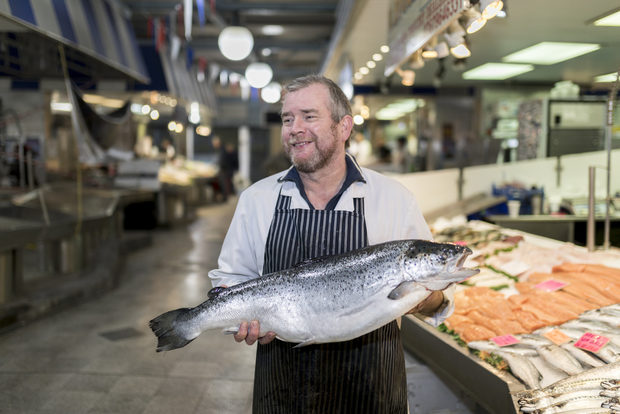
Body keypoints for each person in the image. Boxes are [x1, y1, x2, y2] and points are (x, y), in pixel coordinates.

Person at [208, 75, 454, 413]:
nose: (294, 128)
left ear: (344, 127)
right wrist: (243, 320)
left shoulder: (393, 199)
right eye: (287, 118)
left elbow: (439, 300)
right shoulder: (257, 200)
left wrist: (423, 300)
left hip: (372, 392)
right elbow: (232, 279)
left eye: (309, 116)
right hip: (281, 392)